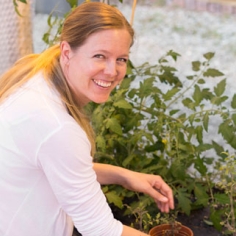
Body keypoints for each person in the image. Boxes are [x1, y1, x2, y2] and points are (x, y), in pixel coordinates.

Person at [0, 2, 174, 236]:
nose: (112, 71)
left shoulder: (38, 77)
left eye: (121, 59)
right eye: (100, 56)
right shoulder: (56, 125)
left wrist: (124, 176)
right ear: (67, 52)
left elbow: (59, 165)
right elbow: (101, 230)